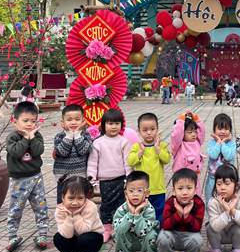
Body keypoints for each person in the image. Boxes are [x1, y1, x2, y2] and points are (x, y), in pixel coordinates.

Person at [5, 101, 49, 252]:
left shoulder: (37, 136)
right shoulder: (12, 137)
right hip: (18, 180)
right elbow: (16, 152)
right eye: (25, 121)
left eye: (33, 121)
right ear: (15, 121)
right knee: (16, 208)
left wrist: (32, 137)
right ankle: (12, 236)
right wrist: (25, 139)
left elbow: (38, 151)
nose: (30, 124)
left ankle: (42, 234)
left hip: (36, 177)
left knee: (40, 206)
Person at [87, 108, 131, 243]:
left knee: (121, 205)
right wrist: (91, 178)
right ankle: (106, 229)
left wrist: (129, 178)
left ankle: (119, 229)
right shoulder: (98, 143)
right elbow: (93, 162)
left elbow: (128, 162)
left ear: (121, 125)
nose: (113, 127)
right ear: (104, 125)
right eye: (110, 123)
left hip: (121, 180)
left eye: (117, 123)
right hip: (105, 181)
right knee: (106, 205)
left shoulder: (124, 141)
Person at [156, 168, 205, 252]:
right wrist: (178, 214)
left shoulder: (199, 203)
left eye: (189, 188)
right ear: (174, 191)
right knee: (163, 236)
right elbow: (165, 225)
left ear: (195, 190)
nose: (184, 192)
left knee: (197, 239)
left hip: (189, 235)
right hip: (172, 234)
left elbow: (197, 227)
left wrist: (186, 215)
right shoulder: (170, 203)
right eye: (180, 188)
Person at [53, 176, 103, 252]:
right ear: (63, 197)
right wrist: (68, 218)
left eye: (80, 198)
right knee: (58, 238)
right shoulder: (60, 210)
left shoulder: (90, 207)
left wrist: (74, 215)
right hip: (73, 236)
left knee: (86, 239)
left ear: (85, 197)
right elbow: (66, 235)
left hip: (92, 236)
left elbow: (84, 230)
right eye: (71, 198)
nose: (75, 203)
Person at [110, 170, 159, 252]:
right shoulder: (122, 209)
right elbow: (118, 230)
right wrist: (130, 214)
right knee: (118, 233)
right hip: (128, 240)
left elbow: (143, 231)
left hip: (143, 240)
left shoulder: (149, 209)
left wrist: (136, 215)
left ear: (147, 193)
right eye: (131, 191)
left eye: (139, 191)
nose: (135, 194)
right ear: (126, 193)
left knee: (152, 234)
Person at [127, 113, 170, 222]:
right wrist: (140, 153)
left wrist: (158, 150)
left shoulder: (161, 145)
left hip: (158, 188)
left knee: (159, 211)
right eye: (145, 130)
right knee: (142, 211)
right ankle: (142, 229)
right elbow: (130, 161)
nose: (149, 132)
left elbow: (166, 160)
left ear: (157, 129)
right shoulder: (137, 146)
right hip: (141, 190)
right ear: (139, 131)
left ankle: (157, 229)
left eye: (152, 129)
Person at [206, 164, 240, 252]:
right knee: (210, 227)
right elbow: (215, 227)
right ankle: (216, 249)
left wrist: (233, 210)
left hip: (234, 233)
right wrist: (227, 212)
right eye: (219, 184)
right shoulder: (213, 202)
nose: (222, 187)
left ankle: (237, 249)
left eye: (227, 184)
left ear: (236, 185)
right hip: (219, 233)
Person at [53, 104, 93, 203]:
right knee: (63, 202)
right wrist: (70, 136)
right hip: (63, 178)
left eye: (77, 119)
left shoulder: (86, 135)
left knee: (81, 201)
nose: (73, 122)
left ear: (83, 121)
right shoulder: (59, 136)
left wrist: (78, 134)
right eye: (69, 120)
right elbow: (63, 152)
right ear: (63, 122)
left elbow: (84, 150)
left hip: (81, 177)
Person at [205, 114, 236, 206]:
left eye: (226, 129)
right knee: (210, 201)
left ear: (230, 130)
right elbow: (213, 155)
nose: (223, 131)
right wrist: (218, 142)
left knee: (226, 202)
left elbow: (228, 157)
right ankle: (211, 215)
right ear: (214, 130)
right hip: (212, 179)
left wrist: (223, 143)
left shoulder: (232, 144)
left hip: (228, 180)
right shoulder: (212, 143)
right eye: (220, 128)